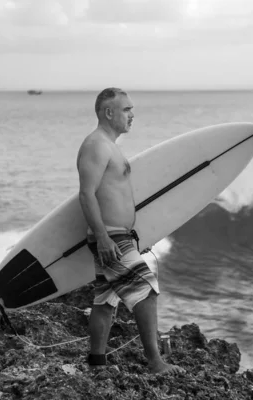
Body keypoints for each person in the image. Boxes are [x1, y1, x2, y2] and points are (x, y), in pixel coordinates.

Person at [76, 88, 184, 375]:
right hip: (110, 237)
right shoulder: (96, 145)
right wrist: (102, 236)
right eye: (126, 110)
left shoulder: (110, 145)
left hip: (117, 235)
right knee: (146, 290)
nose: (132, 115)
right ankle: (155, 362)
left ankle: (97, 364)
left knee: (105, 300)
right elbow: (86, 195)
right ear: (108, 112)